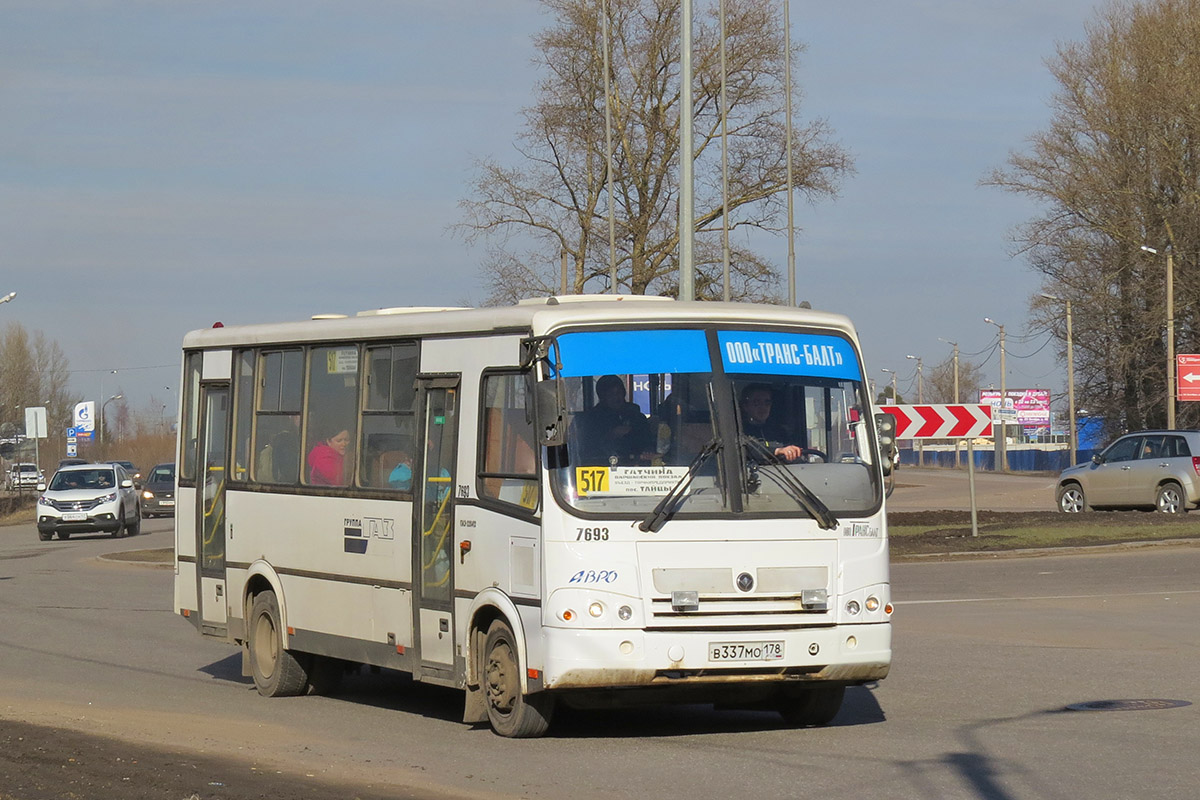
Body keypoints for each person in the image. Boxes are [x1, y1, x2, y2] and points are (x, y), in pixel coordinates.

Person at [575, 375, 654, 466]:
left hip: (635, 471)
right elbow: (587, 449)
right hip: (602, 466)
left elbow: (648, 440)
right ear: (602, 397)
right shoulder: (592, 419)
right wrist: (611, 435)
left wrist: (648, 450)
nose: (616, 397)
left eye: (618, 393)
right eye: (611, 394)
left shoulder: (636, 416)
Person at [739, 383, 806, 462]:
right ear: (745, 406)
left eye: (767, 403)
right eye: (757, 402)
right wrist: (777, 451)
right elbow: (747, 450)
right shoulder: (740, 431)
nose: (763, 407)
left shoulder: (781, 432)